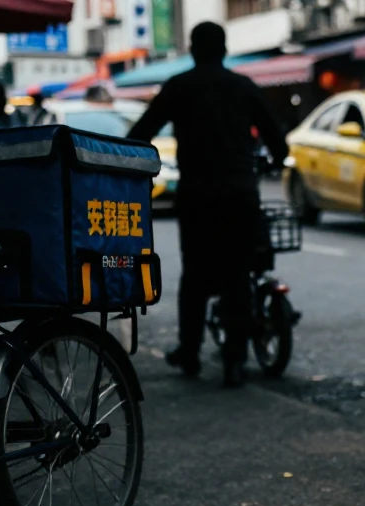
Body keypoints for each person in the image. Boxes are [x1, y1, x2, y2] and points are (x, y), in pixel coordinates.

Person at [127, 22, 288, 388]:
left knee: (196, 276)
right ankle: (235, 361)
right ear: (225, 49)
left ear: (194, 49)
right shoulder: (243, 87)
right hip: (240, 194)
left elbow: (141, 133)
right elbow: (278, 143)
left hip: (197, 196)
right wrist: (271, 160)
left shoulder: (179, 87)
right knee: (237, 275)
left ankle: (190, 351)